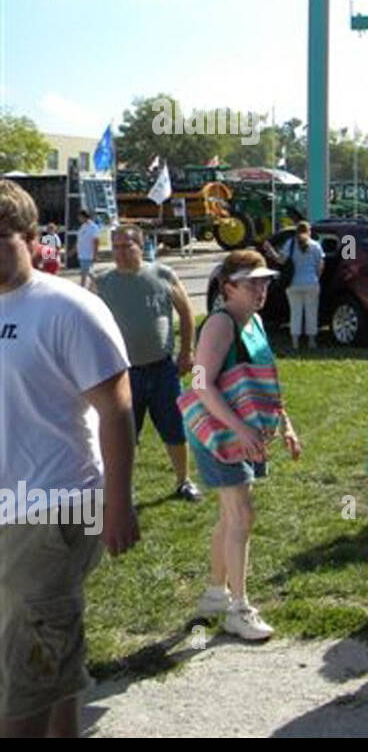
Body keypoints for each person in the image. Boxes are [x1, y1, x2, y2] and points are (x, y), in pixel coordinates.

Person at [0, 180, 138, 738]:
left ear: (34, 240)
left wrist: (120, 505)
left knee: (23, 673)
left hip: (56, 506)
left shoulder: (67, 308)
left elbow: (116, 409)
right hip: (10, 506)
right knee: (45, 650)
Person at [188, 249, 303, 641]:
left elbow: (265, 379)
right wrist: (239, 429)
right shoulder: (220, 325)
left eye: (265, 281)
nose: (262, 289)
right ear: (228, 286)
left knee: (230, 515)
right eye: (253, 282)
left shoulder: (253, 321)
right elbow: (200, 384)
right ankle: (239, 608)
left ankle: (216, 595)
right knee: (242, 516)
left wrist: (284, 424)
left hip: (240, 430)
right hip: (220, 434)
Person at [94, 222, 201, 501]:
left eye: (126, 246)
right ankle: (122, 490)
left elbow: (186, 312)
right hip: (123, 374)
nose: (119, 252)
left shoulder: (162, 274)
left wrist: (187, 351)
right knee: (126, 435)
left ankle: (183, 481)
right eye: (115, 246)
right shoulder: (102, 282)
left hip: (163, 369)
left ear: (141, 247)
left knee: (174, 428)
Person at [265, 221, 324, 351]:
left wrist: (270, 250)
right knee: (311, 312)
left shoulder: (290, 244)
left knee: (295, 313)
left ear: (296, 231)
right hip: (311, 283)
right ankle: (311, 341)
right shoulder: (315, 245)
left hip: (293, 284)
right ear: (309, 231)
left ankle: (295, 343)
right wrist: (316, 279)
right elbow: (320, 266)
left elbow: (280, 260)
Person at [75, 209, 100, 287]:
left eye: (80, 217)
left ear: (84, 216)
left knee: (87, 272)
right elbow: (79, 240)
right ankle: (91, 286)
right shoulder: (82, 226)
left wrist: (95, 254)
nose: (79, 219)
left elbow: (96, 241)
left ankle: (95, 284)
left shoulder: (93, 227)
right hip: (82, 253)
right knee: (85, 272)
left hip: (88, 254)